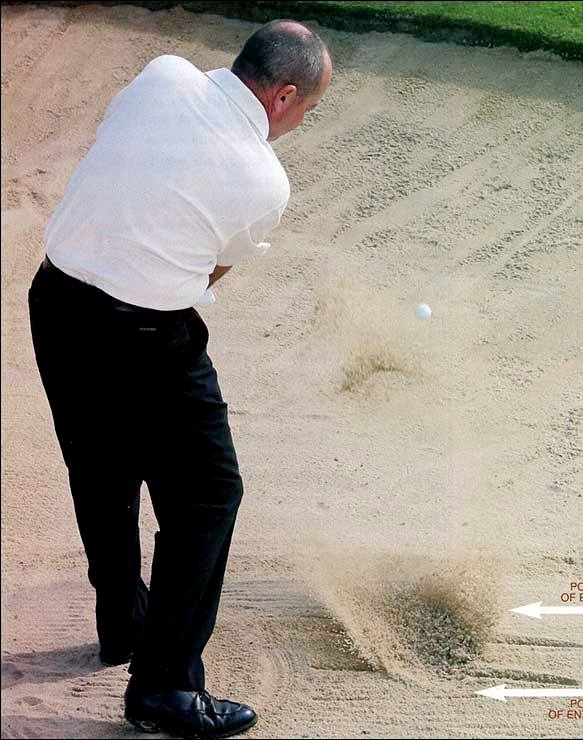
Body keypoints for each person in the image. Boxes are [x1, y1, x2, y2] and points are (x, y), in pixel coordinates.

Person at [27, 19, 332, 739]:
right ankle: (163, 686)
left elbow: (118, 160)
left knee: (101, 468)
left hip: (55, 301)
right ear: (284, 96)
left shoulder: (163, 72)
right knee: (206, 497)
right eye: (306, 112)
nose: (297, 126)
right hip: (143, 336)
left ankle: (122, 622)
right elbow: (204, 273)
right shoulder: (263, 179)